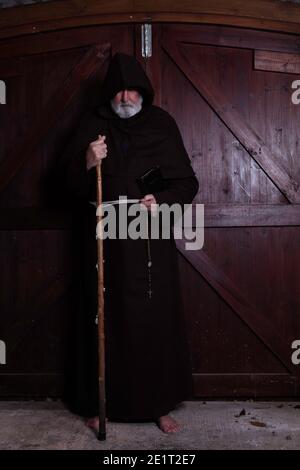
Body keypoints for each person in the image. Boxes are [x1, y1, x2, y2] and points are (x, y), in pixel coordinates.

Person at [60, 53, 199, 433]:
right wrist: (87, 162)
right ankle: (98, 404)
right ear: (109, 92)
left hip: (148, 243)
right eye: (118, 89)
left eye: (131, 90)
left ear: (143, 92)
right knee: (102, 319)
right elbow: (63, 188)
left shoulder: (161, 124)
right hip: (103, 244)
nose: (124, 97)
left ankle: (158, 405)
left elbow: (187, 183)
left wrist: (163, 201)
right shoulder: (93, 124)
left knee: (152, 324)